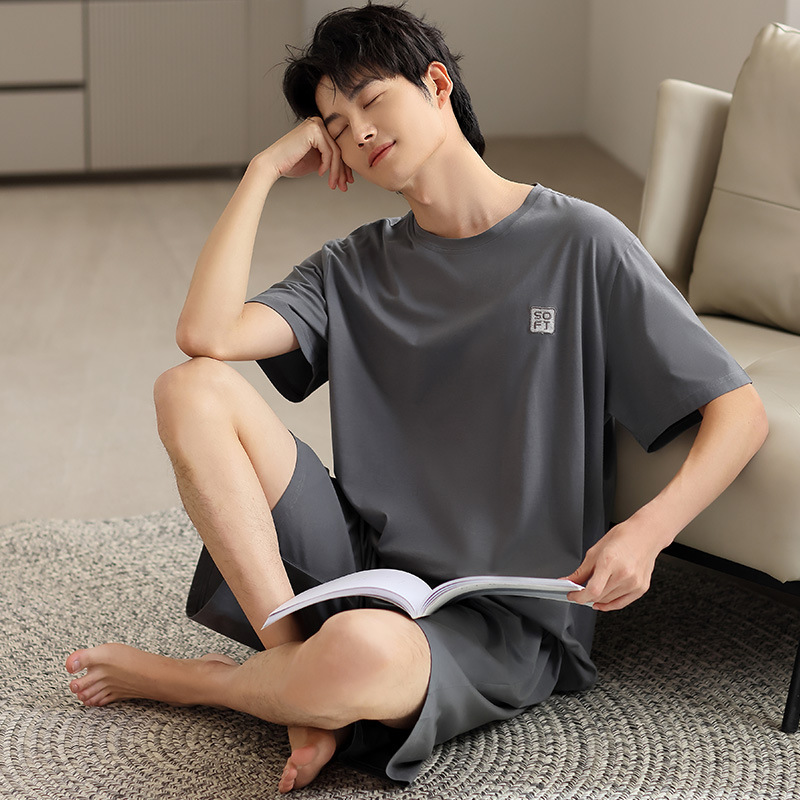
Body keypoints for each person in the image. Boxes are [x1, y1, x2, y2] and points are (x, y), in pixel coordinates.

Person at [65, 3, 768, 794]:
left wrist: (646, 533)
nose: (359, 131)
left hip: (501, 617)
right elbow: (206, 335)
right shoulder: (354, 266)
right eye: (336, 126)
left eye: (372, 99)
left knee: (361, 655)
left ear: (437, 85)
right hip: (360, 568)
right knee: (188, 388)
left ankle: (213, 683)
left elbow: (738, 412)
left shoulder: (582, 243)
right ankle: (291, 665)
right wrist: (261, 172)